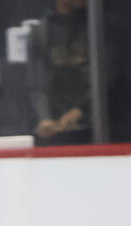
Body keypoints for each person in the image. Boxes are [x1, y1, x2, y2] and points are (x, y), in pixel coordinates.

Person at [29, 0, 92, 146]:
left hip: (98, 128)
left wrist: (81, 110)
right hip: (56, 131)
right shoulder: (41, 33)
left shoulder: (97, 26)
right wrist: (44, 117)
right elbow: (37, 82)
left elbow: (108, 77)